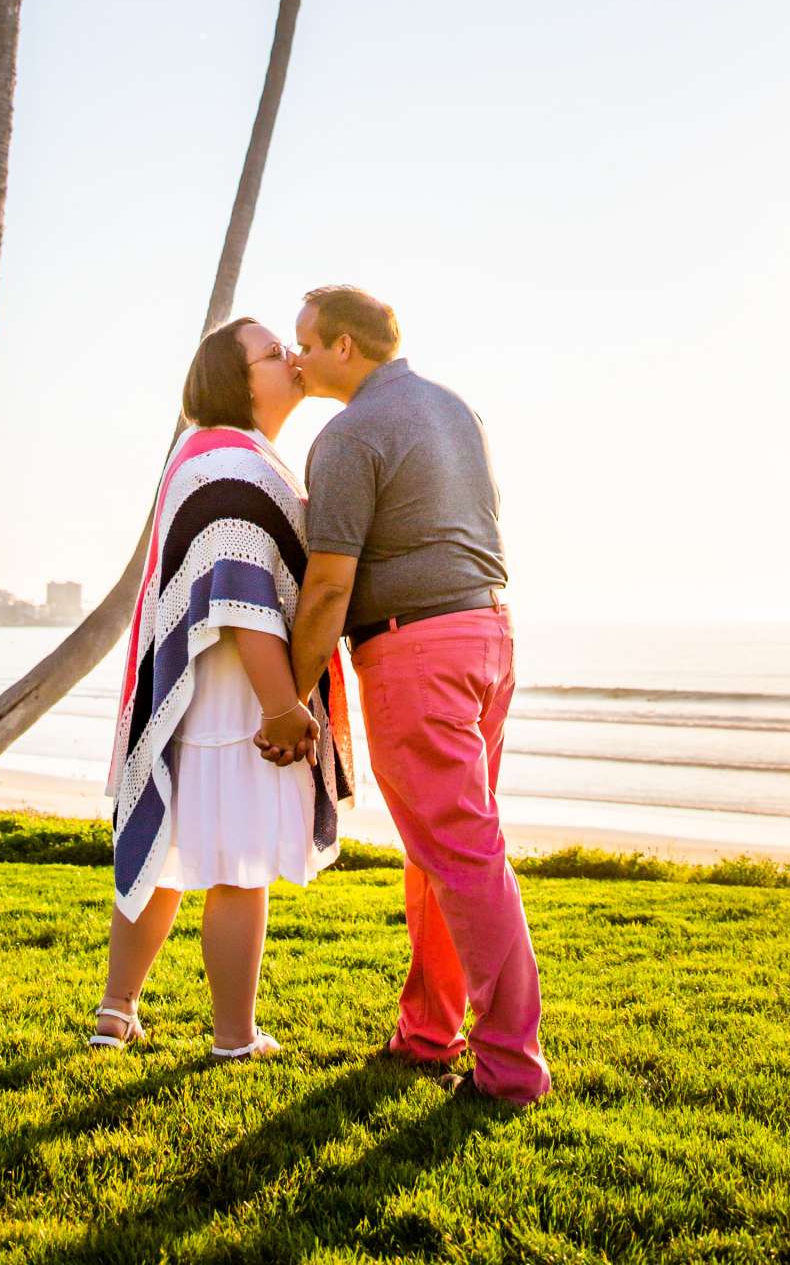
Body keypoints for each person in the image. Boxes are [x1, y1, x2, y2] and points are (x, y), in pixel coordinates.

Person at [270, 284, 550, 1106]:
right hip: (489, 636)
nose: (297, 357)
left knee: (463, 859)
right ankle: (428, 1031)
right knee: (443, 855)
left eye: (307, 344)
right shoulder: (454, 409)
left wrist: (289, 698)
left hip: (418, 650)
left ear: (346, 348)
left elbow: (326, 588)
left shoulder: (349, 434)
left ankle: (510, 1069)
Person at [93, 317, 352, 1062]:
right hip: (236, 695)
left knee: (171, 846)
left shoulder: (211, 455)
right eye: (276, 353)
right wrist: (283, 707)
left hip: (192, 692)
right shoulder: (235, 463)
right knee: (238, 864)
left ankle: (117, 1011)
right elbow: (243, 602)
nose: (293, 359)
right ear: (238, 381)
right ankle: (236, 1038)